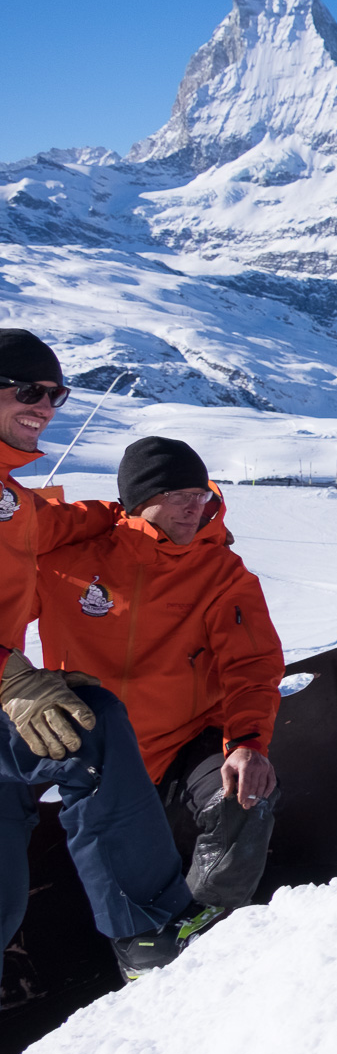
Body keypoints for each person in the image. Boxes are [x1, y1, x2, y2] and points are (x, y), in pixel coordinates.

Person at [0, 330, 215, 979]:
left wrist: (124, 516)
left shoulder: (9, 498)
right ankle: (149, 930)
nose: (46, 404)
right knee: (87, 719)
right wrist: (11, 673)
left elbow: (59, 523)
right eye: (28, 390)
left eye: (56, 393)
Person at [36, 437, 285, 910]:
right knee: (118, 883)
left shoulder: (221, 572)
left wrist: (249, 744)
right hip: (94, 747)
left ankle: (202, 927)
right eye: (180, 497)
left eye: (202, 496)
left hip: (185, 740)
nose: (196, 509)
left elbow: (251, 663)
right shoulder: (64, 561)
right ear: (140, 498)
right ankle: (144, 962)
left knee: (245, 799)